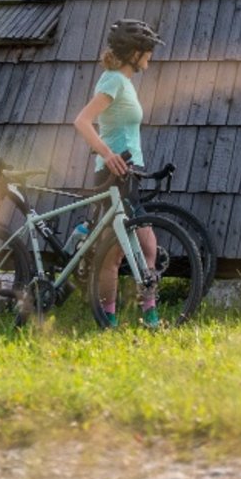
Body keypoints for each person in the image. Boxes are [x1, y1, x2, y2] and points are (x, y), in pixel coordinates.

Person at [71, 18, 164, 329]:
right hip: (114, 174)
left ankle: (149, 315)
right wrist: (107, 155)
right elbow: (82, 121)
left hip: (128, 172)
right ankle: (108, 320)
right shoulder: (113, 81)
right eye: (148, 50)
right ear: (135, 52)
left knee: (148, 247)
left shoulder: (123, 83)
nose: (151, 55)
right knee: (113, 255)